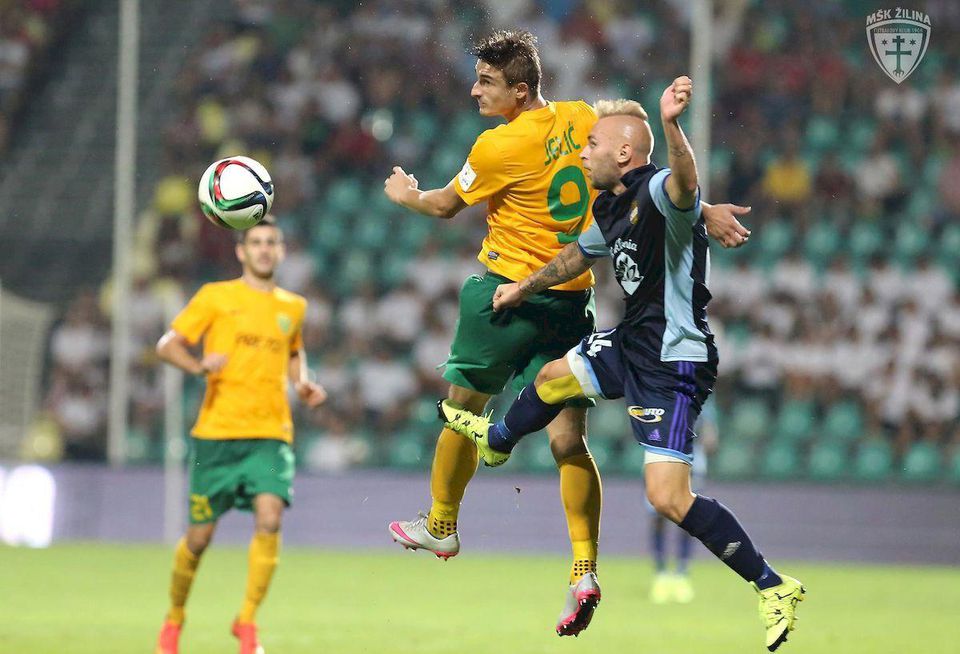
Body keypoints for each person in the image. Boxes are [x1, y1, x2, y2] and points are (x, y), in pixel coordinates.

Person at [384, 30, 750, 637]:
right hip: (572, 300)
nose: (475, 91)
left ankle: (442, 525)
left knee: (462, 411)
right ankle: (583, 569)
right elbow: (644, 169)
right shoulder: (583, 118)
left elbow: (446, 206)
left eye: (487, 82)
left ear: (519, 90)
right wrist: (699, 209)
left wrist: (407, 195)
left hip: (506, 294)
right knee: (568, 442)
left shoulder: (498, 144)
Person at [440, 84, 805, 651]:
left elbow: (685, 185)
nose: (582, 154)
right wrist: (522, 288)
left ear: (626, 153)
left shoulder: (657, 189)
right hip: (632, 341)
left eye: (592, 145)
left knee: (668, 499)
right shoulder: (609, 206)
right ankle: (498, 440)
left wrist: (672, 125)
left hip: (673, 360)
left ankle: (773, 585)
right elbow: (574, 256)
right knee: (552, 377)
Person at [154, 215, 327, 654]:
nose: (264, 249)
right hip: (216, 435)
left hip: (270, 434)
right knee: (199, 539)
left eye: (271, 242)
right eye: (256, 242)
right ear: (241, 252)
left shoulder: (293, 307)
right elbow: (167, 345)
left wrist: (302, 382)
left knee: (270, 518)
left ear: (281, 251)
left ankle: (246, 621)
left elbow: (293, 351)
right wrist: (199, 366)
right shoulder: (215, 297)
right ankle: (174, 617)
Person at [648, 406, 718, 604]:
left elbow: (711, 439)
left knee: (687, 517)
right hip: (658, 458)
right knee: (657, 516)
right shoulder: (654, 396)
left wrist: (703, 435)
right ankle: (661, 574)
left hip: (690, 461)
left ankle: (681, 574)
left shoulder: (700, 399)